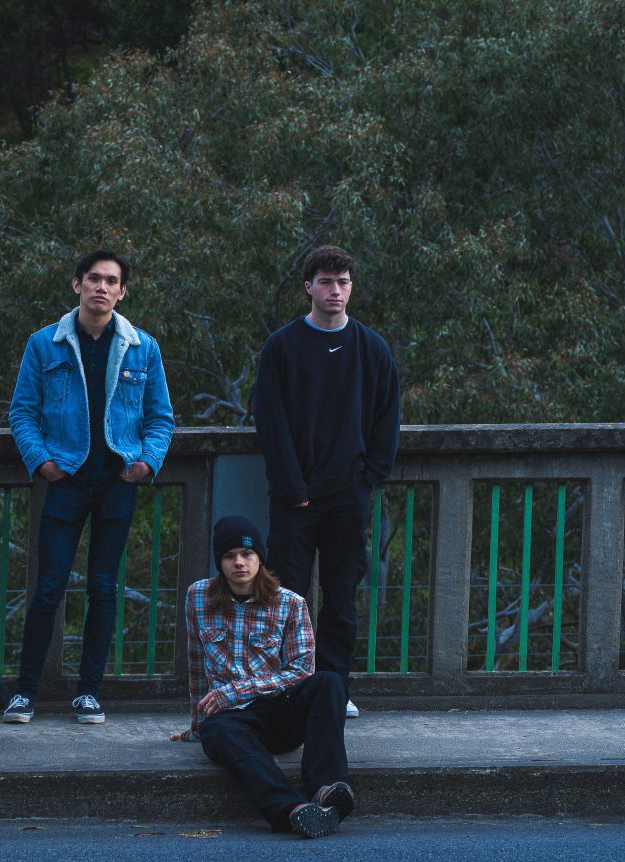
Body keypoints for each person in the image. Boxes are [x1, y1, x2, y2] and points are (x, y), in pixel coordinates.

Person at [4, 249, 175, 725]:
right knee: (48, 588)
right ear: (77, 284)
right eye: (94, 278)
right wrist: (42, 462)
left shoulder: (143, 347)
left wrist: (145, 464)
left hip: (117, 481)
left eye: (111, 281)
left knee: (103, 588)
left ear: (122, 292)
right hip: (66, 479)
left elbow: (161, 417)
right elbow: (22, 411)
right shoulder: (45, 343)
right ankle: (25, 692)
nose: (102, 287)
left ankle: (88, 693)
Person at [252, 245, 399, 718]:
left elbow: (387, 419)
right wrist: (291, 486)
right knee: (286, 597)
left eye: (343, 282)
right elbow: (269, 419)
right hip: (293, 497)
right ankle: (287, 688)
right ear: (308, 287)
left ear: (351, 288)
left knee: (340, 599)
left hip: (347, 496)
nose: (335, 290)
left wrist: (367, 479)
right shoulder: (282, 346)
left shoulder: (372, 348)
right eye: (326, 282)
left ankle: (335, 690)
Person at [171, 515, 353, 838]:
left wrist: (238, 690)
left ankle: (327, 789)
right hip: (231, 721)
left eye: (247, 554)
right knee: (218, 729)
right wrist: (196, 726)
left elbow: (301, 669)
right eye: (229, 556)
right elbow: (196, 664)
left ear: (259, 558)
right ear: (220, 562)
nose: (239, 562)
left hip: (278, 713)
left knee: (329, 682)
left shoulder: (290, 603)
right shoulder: (198, 597)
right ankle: (292, 810)